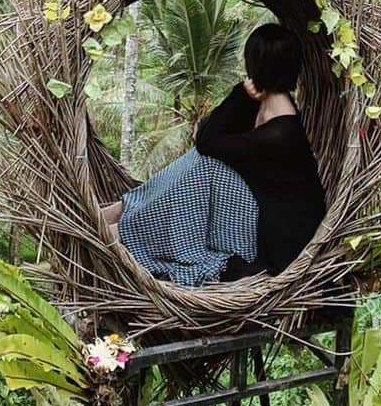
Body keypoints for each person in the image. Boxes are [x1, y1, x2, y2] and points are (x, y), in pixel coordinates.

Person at [101, 23, 326, 286]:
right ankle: (124, 212)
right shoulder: (264, 107)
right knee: (205, 162)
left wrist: (240, 95)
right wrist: (244, 99)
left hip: (277, 239)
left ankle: (125, 227)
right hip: (260, 211)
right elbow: (208, 135)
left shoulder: (282, 133)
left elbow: (207, 143)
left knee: (207, 166)